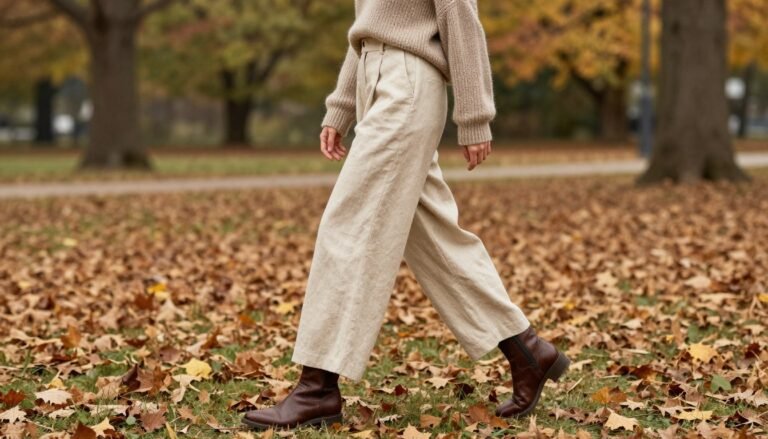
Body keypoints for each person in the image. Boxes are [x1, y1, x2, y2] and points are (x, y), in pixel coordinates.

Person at [242, 0, 570, 431]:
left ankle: (317, 388)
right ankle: (528, 353)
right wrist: (342, 103)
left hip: (407, 86)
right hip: (379, 82)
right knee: (434, 239)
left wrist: (474, 115)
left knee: (349, 227)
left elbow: (459, 14)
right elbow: (370, 24)